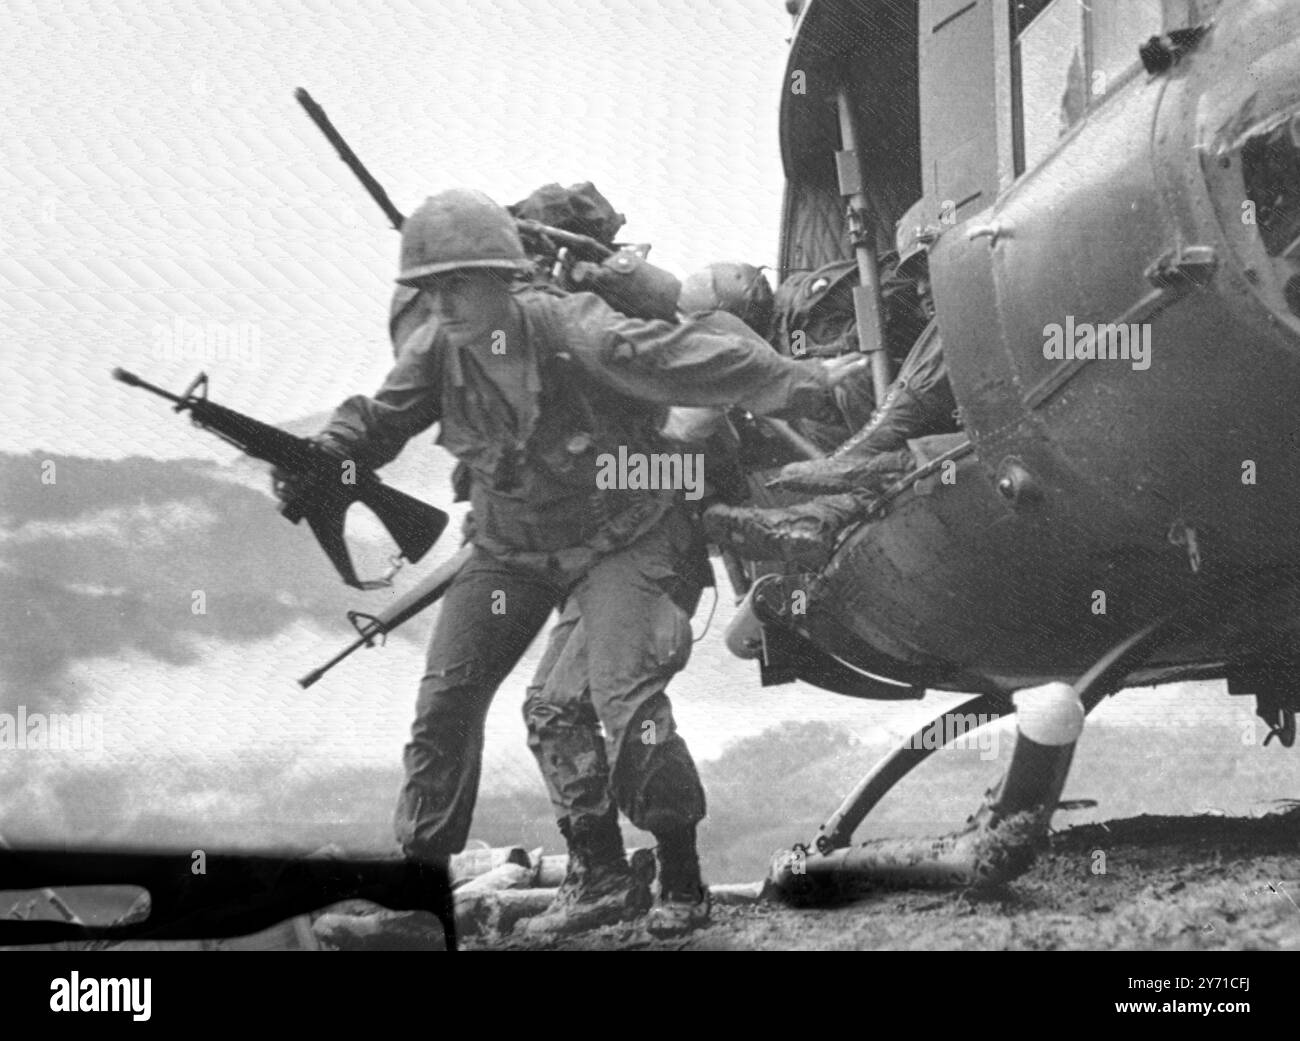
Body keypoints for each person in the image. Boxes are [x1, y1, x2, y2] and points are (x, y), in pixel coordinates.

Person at [280, 189, 866, 938]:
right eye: (431, 289)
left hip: (626, 534)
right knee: (445, 703)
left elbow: (685, 359)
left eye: (460, 283)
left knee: (622, 700)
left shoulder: (570, 329)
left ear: (506, 277)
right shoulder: (437, 350)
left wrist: (813, 383)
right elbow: (379, 417)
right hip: (512, 549)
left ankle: (679, 874)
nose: (445, 303)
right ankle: (457, 892)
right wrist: (327, 455)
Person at [703, 254, 959, 570]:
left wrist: (858, 339)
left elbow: (893, 283)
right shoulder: (768, 374)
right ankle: (825, 510)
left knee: (848, 383)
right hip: (891, 429)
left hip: (926, 375)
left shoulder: (806, 299)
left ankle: (850, 479)